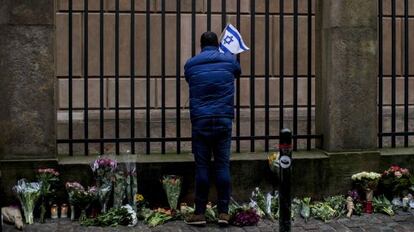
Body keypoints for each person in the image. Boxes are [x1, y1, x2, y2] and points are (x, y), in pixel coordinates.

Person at [183, 31, 241, 226]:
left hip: (201, 120)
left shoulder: (191, 64)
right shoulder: (229, 60)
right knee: (222, 165)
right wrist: (226, 54)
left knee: (202, 166)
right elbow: (237, 72)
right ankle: (223, 212)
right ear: (218, 44)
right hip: (223, 119)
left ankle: (199, 212)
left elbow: (189, 78)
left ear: (201, 45)